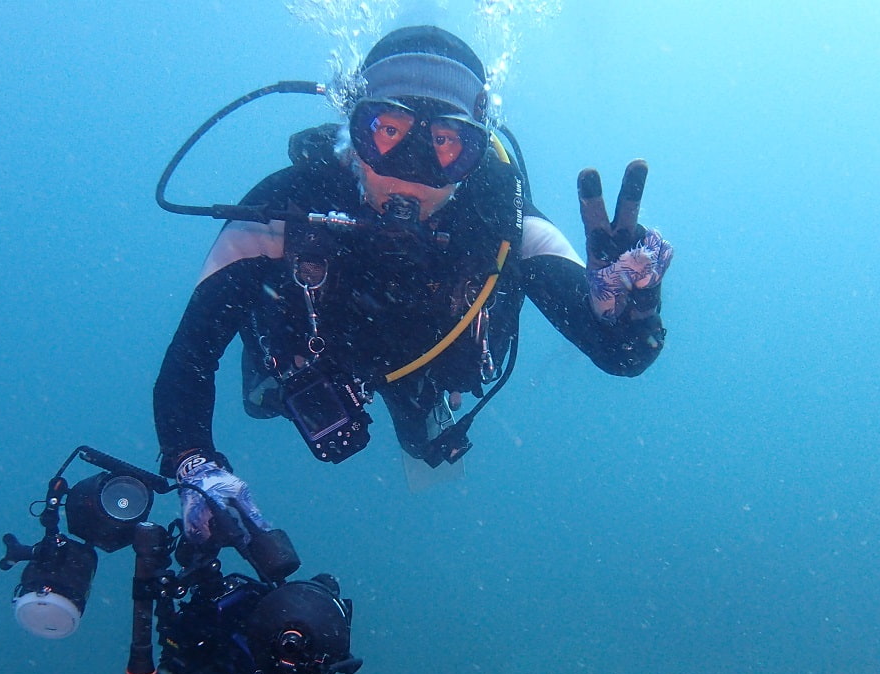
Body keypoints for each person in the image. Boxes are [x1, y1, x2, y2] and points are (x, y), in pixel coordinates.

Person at [153, 25, 673, 536]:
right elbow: (191, 354)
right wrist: (193, 461)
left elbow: (623, 355)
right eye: (389, 131)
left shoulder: (507, 226)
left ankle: (422, 422)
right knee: (267, 394)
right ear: (354, 132)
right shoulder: (283, 209)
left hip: (428, 361)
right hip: (313, 359)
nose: (411, 171)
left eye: (445, 143)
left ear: (474, 152)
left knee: (425, 431)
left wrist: (634, 303)